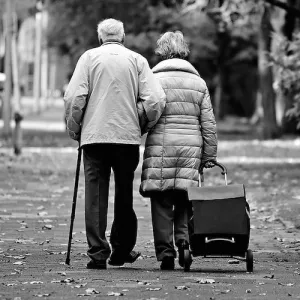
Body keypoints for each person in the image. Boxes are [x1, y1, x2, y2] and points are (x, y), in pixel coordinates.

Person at [64, 18, 166, 270]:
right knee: (123, 194)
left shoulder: (89, 58)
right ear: (123, 37)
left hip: (94, 138)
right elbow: (155, 99)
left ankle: (98, 253)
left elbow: (74, 97)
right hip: (126, 138)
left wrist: (76, 128)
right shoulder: (137, 60)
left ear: (100, 38)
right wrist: (141, 122)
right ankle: (121, 249)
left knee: (95, 195)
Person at [139, 31, 218, 270]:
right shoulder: (198, 82)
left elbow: (145, 113)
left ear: (162, 51)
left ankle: (165, 253)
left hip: (161, 146)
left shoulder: (152, 78)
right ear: (183, 50)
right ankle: (184, 243)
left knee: (161, 197)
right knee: (184, 196)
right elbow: (209, 124)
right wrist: (210, 155)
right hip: (190, 146)